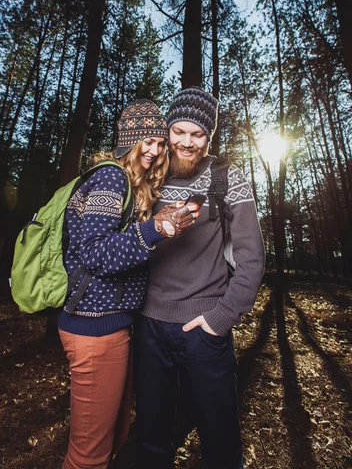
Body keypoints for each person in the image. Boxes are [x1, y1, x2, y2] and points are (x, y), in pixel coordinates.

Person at [58, 98, 200, 469]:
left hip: (112, 326)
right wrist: (152, 230)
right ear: (127, 142)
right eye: (145, 143)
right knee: (89, 456)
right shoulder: (110, 177)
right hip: (93, 329)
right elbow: (93, 253)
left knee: (112, 439)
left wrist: (158, 222)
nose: (154, 151)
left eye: (158, 142)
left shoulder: (132, 185)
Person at [134, 87, 265, 469]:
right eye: (179, 132)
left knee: (220, 439)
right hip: (150, 327)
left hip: (204, 330)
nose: (187, 143)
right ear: (168, 131)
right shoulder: (149, 174)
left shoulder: (228, 178)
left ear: (209, 137)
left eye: (198, 134)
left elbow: (251, 259)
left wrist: (220, 319)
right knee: (151, 437)